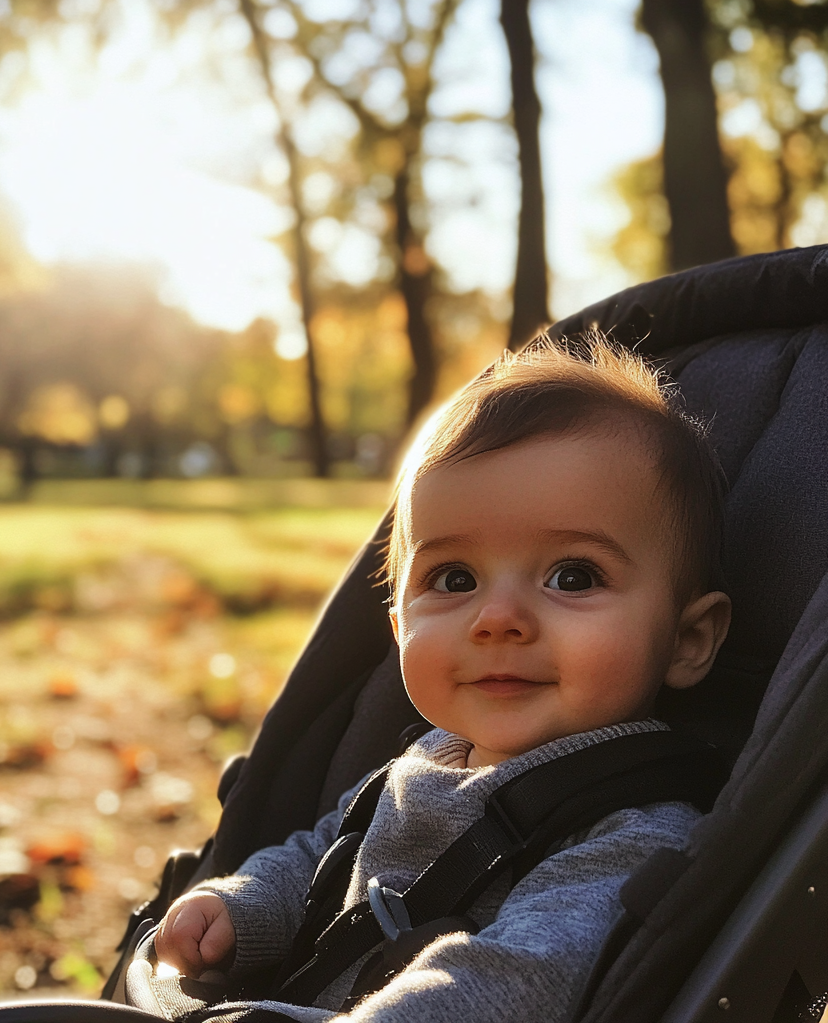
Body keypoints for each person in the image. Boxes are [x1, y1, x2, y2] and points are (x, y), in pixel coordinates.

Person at [153, 336, 734, 1022]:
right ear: (400, 625)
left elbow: (515, 978)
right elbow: (323, 860)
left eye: (573, 576)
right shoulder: (423, 756)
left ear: (688, 640)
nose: (498, 619)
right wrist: (240, 907)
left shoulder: (632, 834)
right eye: (454, 579)